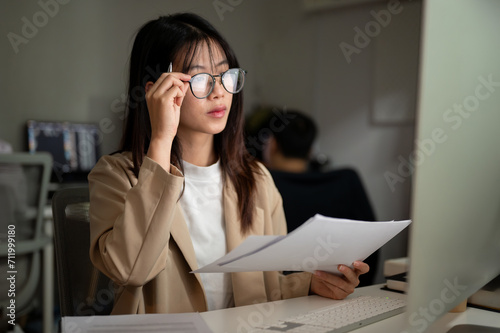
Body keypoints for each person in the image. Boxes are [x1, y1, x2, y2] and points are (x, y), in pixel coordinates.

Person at [88, 13, 369, 315]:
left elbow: (267, 289)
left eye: (226, 75)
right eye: (199, 79)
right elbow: (131, 271)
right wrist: (161, 139)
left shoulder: (256, 178)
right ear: (156, 90)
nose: (219, 90)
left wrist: (311, 284)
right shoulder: (117, 175)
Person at [253, 109, 379, 286]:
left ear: (272, 145)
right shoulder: (346, 180)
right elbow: (371, 244)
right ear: (311, 149)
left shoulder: (262, 183)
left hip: (285, 293)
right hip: (345, 287)